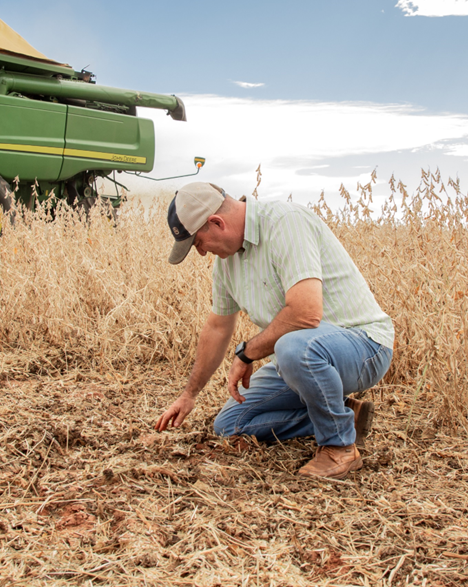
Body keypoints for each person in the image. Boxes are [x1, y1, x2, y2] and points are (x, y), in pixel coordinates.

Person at [154, 182, 394, 478]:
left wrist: (247, 354)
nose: (202, 253)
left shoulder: (285, 223)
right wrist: (189, 394)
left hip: (363, 346)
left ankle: (339, 448)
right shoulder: (226, 265)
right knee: (229, 425)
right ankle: (344, 416)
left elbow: (306, 314)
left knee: (292, 347)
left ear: (217, 223)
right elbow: (217, 327)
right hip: (303, 358)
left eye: (198, 243)